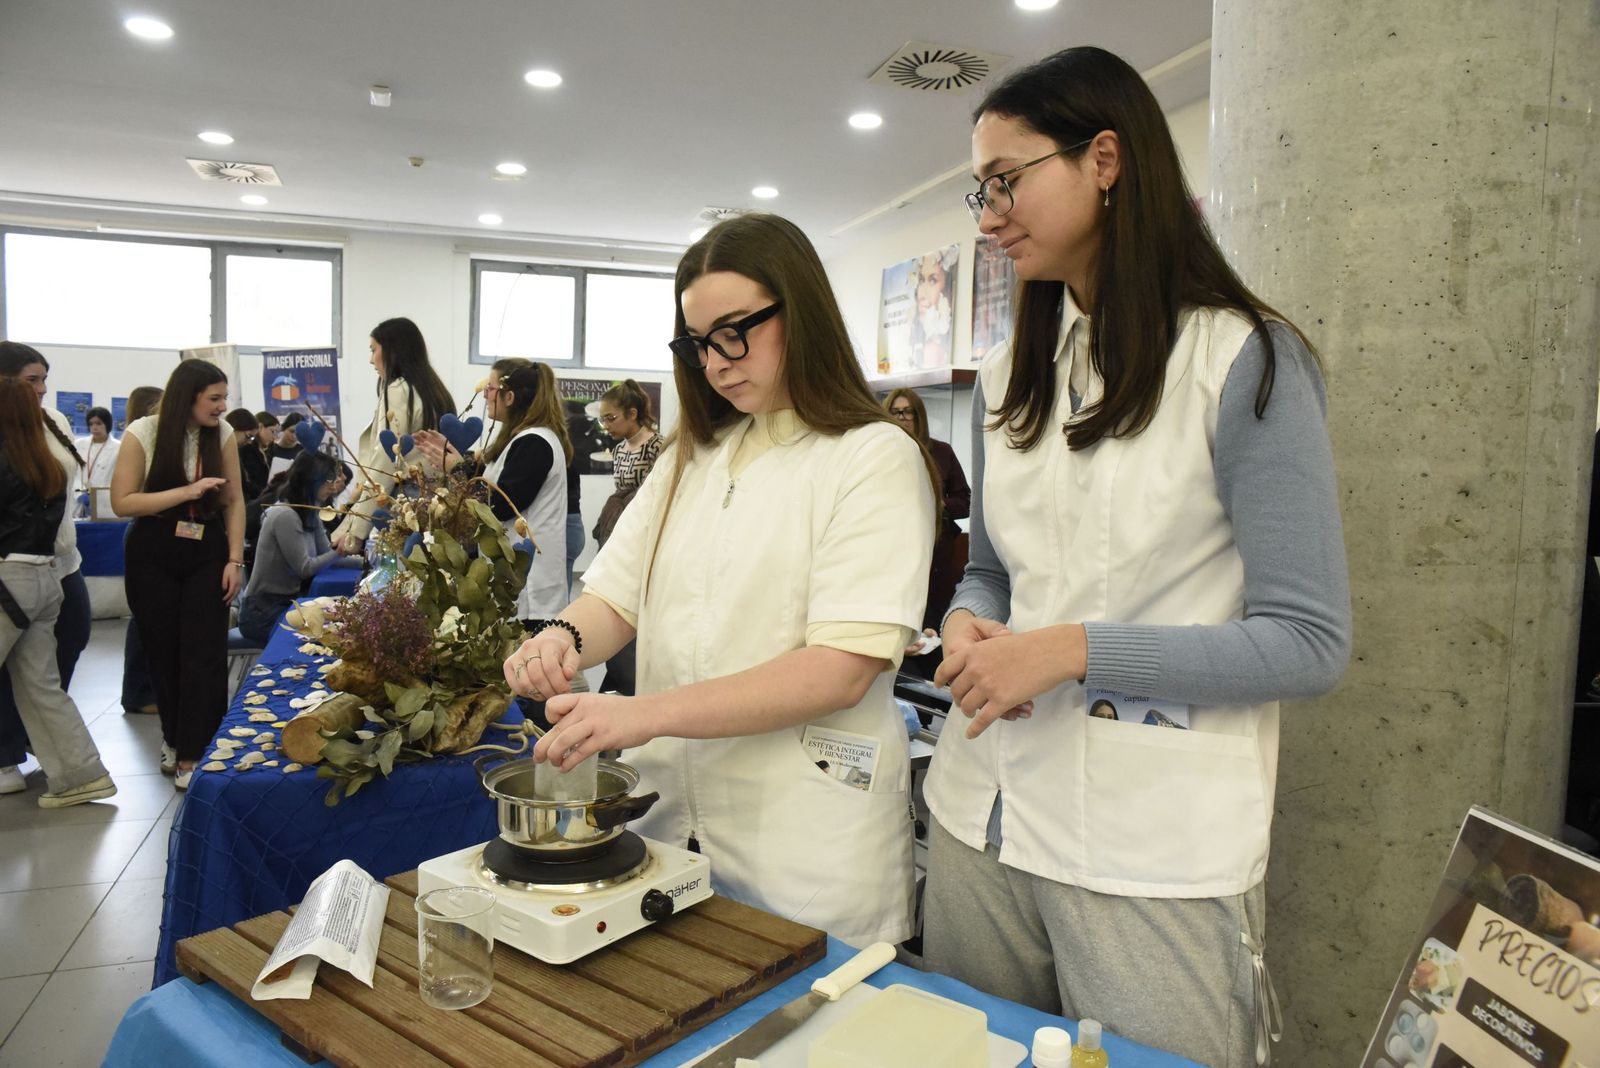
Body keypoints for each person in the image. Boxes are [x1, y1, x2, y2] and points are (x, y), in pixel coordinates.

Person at [921, 47, 1352, 1068]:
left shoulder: (1242, 358)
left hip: (1152, 851)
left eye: (1006, 181)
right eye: (976, 190)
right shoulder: (1005, 376)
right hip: (981, 815)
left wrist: (1070, 650)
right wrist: (963, 621)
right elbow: (991, 569)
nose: (985, 217)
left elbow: (1306, 642)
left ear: (1104, 158)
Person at [503, 213, 939, 946]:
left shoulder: (871, 459)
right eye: (700, 343)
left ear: (800, 312)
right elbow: (616, 594)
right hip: (672, 824)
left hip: (804, 848)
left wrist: (645, 714)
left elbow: (838, 670)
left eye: (737, 331)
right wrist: (563, 638)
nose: (718, 362)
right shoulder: (693, 457)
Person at [111, 360, 245, 789]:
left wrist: (233, 560)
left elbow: (234, 501)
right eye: (215, 398)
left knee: (205, 653)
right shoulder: (143, 433)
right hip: (153, 551)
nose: (223, 407)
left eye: (225, 398)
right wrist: (186, 491)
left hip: (206, 550)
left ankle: (196, 753)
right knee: (164, 651)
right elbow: (123, 502)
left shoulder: (221, 435)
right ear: (188, 396)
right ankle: (174, 739)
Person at [0, 376, 116, 807]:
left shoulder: (6, 463)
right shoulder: (46, 463)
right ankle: (80, 775)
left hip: (9, 581)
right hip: (46, 579)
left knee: (40, 684)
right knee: (40, 685)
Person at [415, 359, 570, 622]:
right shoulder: (519, 440)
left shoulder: (535, 443)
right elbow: (491, 484)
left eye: (491, 387)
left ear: (509, 397)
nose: (485, 394)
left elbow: (499, 506)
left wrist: (456, 469)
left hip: (531, 589)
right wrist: (456, 460)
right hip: (513, 579)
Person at [330, 317, 453, 554]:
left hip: (405, 505)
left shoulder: (398, 391)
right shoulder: (435, 393)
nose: (370, 359)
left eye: (373, 350)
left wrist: (355, 530)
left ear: (393, 352)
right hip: (436, 503)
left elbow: (383, 465)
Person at [885, 388, 969, 680]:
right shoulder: (880, 453)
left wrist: (938, 503)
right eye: (896, 412)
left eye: (908, 411)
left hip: (937, 553)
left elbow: (966, 500)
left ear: (918, 415)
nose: (903, 417)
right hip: (892, 551)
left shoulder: (941, 452)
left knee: (934, 621)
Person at [592, 379, 663, 695]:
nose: (606, 425)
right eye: (603, 419)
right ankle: (617, 669)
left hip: (640, 516)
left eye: (612, 418)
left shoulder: (656, 445)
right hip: (616, 514)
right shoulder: (620, 447)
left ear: (633, 413)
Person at [236, 450, 348, 644]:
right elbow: (305, 568)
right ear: (313, 480)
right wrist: (339, 553)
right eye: (329, 480)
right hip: (263, 611)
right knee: (326, 634)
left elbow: (325, 552)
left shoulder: (309, 510)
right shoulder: (285, 514)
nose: (333, 487)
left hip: (287, 602)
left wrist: (360, 559)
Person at [118, 385, 163, 718]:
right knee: (144, 618)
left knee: (153, 620)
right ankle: (136, 692)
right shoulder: (138, 444)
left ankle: (148, 689)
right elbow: (127, 499)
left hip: (159, 533)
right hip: (145, 532)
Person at [73, 405, 120, 518]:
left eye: (99, 423)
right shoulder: (79, 444)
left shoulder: (119, 448)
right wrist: (79, 494)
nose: (94, 427)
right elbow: (74, 472)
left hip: (105, 501)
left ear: (107, 424)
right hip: (78, 499)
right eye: (91, 424)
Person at [227, 408, 267, 503]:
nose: (249, 442)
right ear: (234, 428)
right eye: (248, 436)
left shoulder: (237, 452)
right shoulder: (222, 453)